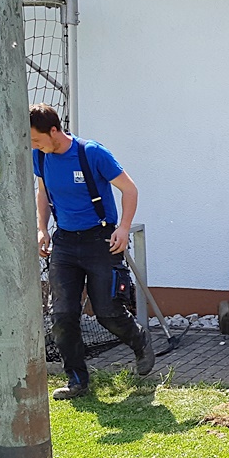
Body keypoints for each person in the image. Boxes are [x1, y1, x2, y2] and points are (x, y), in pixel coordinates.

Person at [30, 103, 154, 400]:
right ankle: (77, 380)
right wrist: (42, 228)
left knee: (107, 313)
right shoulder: (41, 156)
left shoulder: (91, 153)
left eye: (36, 139)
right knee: (62, 316)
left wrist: (123, 228)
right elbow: (43, 193)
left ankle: (139, 341)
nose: (33, 145)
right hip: (65, 243)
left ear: (54, 131)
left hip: (101, 240)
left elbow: (130, 189)